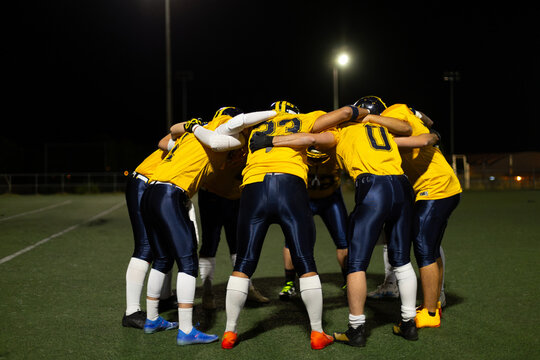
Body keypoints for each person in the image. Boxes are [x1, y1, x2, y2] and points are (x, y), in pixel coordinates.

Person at [249, 101, 419, 346]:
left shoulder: (341, 131)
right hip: (402, 187)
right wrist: (373, 119)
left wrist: (271, 141)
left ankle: (356, 329)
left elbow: (308, 139)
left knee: (357, 264)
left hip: (373, 187)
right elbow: (406, 129)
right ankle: (408, 323)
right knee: (402, 260)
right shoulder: (383, 129)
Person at [141, 108, 278, 346]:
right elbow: (229, 130)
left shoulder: (193, 136)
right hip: (170, 192)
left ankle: (152, 318)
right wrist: (274, 113)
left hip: (151, 191)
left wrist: (191, 126)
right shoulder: (220, 132)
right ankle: (185, 330)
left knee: (162, 257)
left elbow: (173, 133)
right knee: (188, 261)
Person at [219, 101, 335, 350]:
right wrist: (359, 113)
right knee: (305, 261)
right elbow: (339, 120)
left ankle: (229, 333)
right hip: (289, 185)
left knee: (244, 263)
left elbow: (226, 134)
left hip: (254, 186)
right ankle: (317, 333)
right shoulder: (304, 118)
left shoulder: (255, 124)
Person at [377, 102, 462, 328]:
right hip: (442, 186)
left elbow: (421, 137)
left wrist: (427, 137)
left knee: (424, 248)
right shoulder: (402, 109)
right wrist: (423, 122)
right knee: (430, 248)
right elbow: (428, 122)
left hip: (435, 188)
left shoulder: (390, 116)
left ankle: (431, 313)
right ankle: (435, 301)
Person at [196, 107, 269, 310]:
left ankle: (247, 287)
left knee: (238, 244)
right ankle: (207, 291)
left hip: (236, 196)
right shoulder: (210, 134)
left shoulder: (250, 135)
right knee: (210, 242)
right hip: (211, 193)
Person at [122, 133, 179, 329]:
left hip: (164, 188)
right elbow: (164, 140)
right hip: (146, 183)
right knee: (146, 246)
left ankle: (164, 297)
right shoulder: (198, 132)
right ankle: (131, 311)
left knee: (168, 243)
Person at [278, 146, 349, 301]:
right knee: (291, 240)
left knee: (343, 240)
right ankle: (289, 282)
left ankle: (349, 280)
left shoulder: (336, 155)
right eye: (313, 158)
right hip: (305, 199)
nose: (316, 161)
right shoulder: (298, 156)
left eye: (320, 158)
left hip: (331, 198)